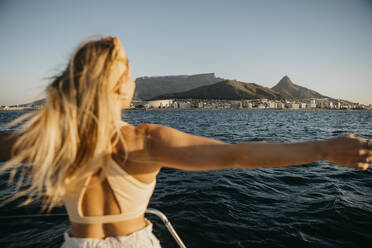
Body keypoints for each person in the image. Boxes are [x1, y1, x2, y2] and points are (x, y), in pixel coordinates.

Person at [0, 36, 371, 248]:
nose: (135, 83)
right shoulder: (146, 140)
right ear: (120, 87)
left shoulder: (46, 140)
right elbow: (238, 155)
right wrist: (322, 148)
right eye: (130, 74)